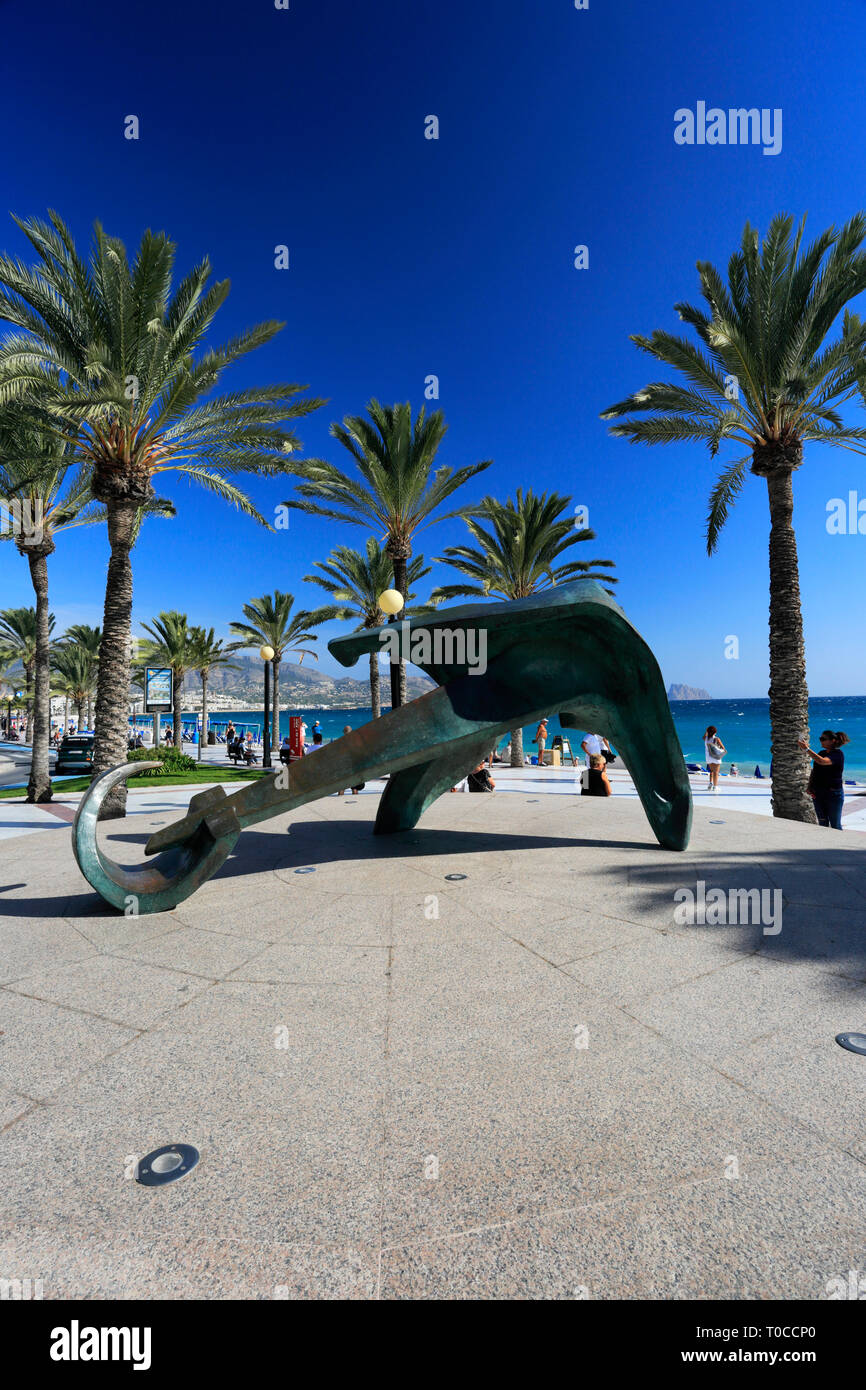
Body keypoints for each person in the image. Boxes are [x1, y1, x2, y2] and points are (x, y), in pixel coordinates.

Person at [798, 730, 850, 830]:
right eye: (820, 739)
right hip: (818, 793)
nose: (821, 741)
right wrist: (809, 786)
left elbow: (822, 761)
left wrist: (806, 749)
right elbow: (815, 771)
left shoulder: (838, 754)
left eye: (823, 739)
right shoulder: (821, 752)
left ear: (832, 741)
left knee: (835, 825)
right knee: (822, 822)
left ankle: (838, 844)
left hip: (833, 794)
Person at [337, 724, 364, 795]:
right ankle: (355, 801)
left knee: (342, 787)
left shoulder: (341, 742)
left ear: (344, 732)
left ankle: (338, 801)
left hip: (344, 767)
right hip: (354, 766)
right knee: (354, 787)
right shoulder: (355, 741)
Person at [703, 725, 726, 791]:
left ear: (708, 731)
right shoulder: (717, 739)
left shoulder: (706, 739)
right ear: (715, 732)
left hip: (708, 757)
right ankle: (715, 786)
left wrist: (707, 730)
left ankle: (710, 784)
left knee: (712, 771)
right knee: (716, 772)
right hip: (715, 757)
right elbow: (723, 748)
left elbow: (704, 736)